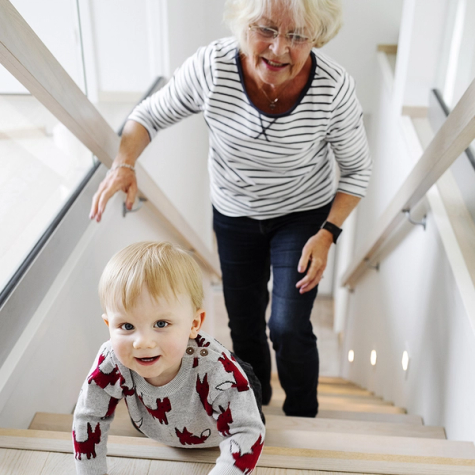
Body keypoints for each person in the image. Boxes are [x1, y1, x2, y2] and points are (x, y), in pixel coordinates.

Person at [89, 0, 372, 418]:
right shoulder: (213, 67)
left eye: (297, 35)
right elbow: (148, 115)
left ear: (318, 37)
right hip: (234, 215)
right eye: (266, 29)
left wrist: (327, 233)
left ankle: (302, 414)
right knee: (244, 324)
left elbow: (357, 171)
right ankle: (252, 406)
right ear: (243, 25)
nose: (278, 49)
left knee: (288, 326)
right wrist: (124, 164)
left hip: (302, 217)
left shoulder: (333, 88)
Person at [72, 241, 265, 475]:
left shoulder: (218, 370)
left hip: (226, 405)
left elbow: (246, 432)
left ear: (194, 324)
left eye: (161, 324)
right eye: (127, 326)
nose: (142, 342)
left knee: (248, 410)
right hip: (157, 424)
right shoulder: (111, 360)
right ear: (109, 325)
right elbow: (89, 418)